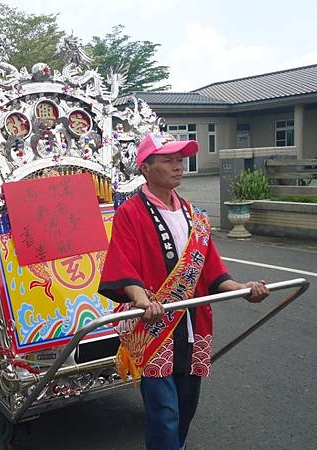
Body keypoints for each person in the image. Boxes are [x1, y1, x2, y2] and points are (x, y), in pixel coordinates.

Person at [98, 132, 269, 450]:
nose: (178, 166)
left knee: (187, 407)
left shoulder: (195, 215)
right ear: (146, 168)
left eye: (179, 160)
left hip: (193, 324)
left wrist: (241, 288)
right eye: (168, 160)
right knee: (164, 412)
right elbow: (123, 266)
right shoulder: (131, 213)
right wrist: (141, 299)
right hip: (154, 326)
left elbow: (212, 270)